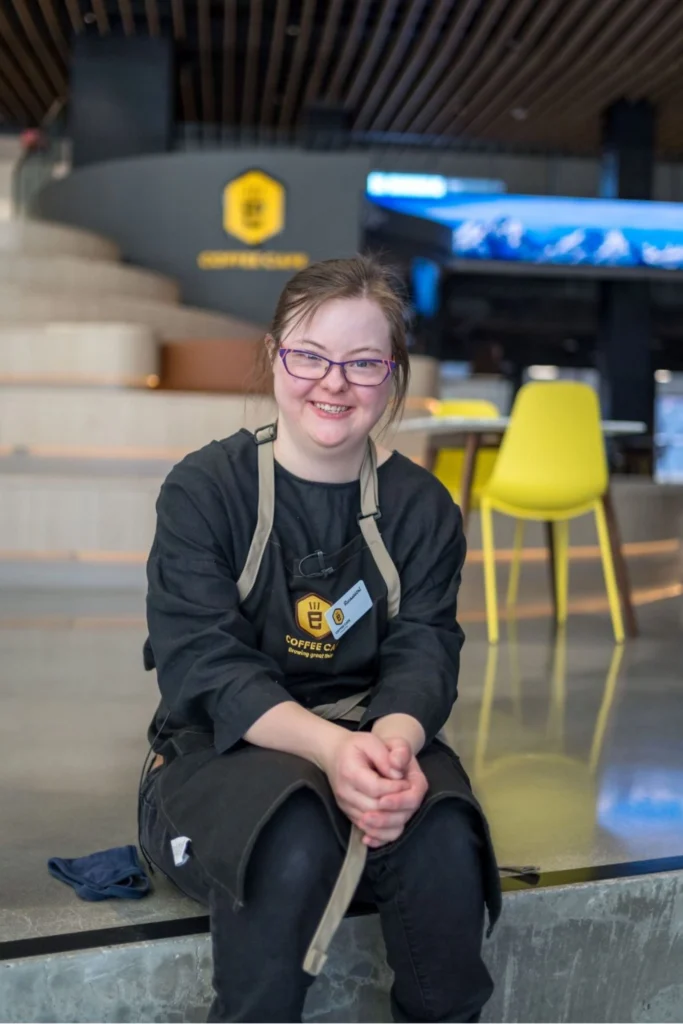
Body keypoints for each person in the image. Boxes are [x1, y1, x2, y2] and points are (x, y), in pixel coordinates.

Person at [139, 255, 501, 1024]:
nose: (332, 383)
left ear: (392, 375)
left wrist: (393, 746)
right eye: (309, 355)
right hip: (219, 750)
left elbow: (425, 649)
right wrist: (332, 753)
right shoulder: (206, 490)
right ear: (275, 355)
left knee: (441, 837)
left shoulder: (422, 508)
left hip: (374, 734)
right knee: (293, 832)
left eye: (363, 363)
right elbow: (204, 664)